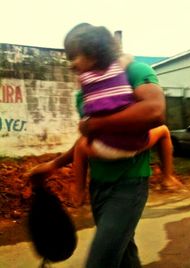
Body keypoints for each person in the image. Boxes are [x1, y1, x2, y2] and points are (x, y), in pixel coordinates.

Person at [29, 23, 172, 268]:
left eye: (75, 55)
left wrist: (96, 124)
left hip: (129, 185)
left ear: (94, 51)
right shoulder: (83, 94)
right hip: (99, 186)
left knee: (101, 260)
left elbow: (154, 111)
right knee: (124, 252)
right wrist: (53, 164)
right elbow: (89, 140)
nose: (71, 64)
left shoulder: (135, 71)